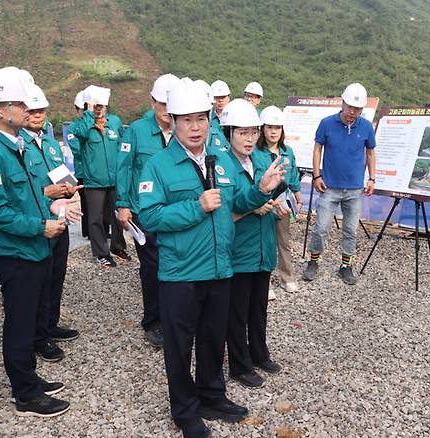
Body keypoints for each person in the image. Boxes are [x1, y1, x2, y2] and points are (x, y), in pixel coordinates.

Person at [138, 78, 287, 438]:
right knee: (179, 346)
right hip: (181, 274)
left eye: (201, 119)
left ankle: (211, 396)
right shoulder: (158, 165)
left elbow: (235, 205)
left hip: (220, 269)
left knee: (211, 338)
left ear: (210, 120)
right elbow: (151, 216)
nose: (194, 127)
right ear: (172, 122)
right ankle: (185, 411)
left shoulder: (218, 160)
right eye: (186, 120)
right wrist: (196, 206)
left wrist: (259, 192)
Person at [0, 67, 80, 417]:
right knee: (19, 323)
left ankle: (28, 377)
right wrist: (40, 226)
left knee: (27, 320)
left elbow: (28, 194)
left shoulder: (16, 144)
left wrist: (54, 205)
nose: (26, 109)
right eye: (18, 104)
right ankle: (25, 394)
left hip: (34, 249)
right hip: (18, 252)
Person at [221, 99, 289, 388]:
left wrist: (275, 201)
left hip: (262, 247)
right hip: (239, 250)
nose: (249, 139)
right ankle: (239, 364)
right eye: (242, 133)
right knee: (237, 311)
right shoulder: (222, 165)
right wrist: (256, 201)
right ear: (228, 133)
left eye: (253, 132)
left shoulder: (261, 160)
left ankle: (259, 352)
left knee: (258, 306)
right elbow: (231, 206)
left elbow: (274, 189)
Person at [116, 73, 179, 348]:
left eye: (171, 104)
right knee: (152, 269)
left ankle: (177, 317)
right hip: (145, 212)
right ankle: (153, 322)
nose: (167, 111)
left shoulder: (184, 130)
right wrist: (123, 204)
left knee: (177, 265)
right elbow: (124, 168)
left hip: (177, 212)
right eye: (162, 104)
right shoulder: (137, 131)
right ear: (152, 102)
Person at [21, 84, 82, 363]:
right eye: (32, 110)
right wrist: (50, 194)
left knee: (57, 275)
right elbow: (22, 191)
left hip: (61, 219)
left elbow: (60, 176)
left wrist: (69, 189)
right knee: (40, 280)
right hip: (38, 221)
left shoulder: (48, 141)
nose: (37, 115)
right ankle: (38, 336)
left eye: (41, 110)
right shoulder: (18, 144)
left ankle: (50, 323)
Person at [303, 83, 376, 285]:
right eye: (350, 107)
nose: (353, 112)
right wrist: (316, 176)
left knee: (351, 230)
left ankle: (346, 265)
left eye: (358, 109)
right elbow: (318, 149)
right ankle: (313, 261)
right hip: (329, 187)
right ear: (342, 103)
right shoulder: (327, 123)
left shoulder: (366, 126)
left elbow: (370, 152)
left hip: (354, 189)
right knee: (321, 227)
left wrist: (372, 178)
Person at [73, 85, 129, 267]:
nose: (99, 109)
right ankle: (101, 253)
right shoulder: (82, 126)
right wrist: (89, 114)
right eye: (95, 106)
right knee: (96, 218)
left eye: (101, 106)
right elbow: (80, 135)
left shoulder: (115, 122)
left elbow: (124, 144)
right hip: (94, 181)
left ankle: (118, 247)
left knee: (117, 215)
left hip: (115, 180)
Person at [257, 105, 303, 293]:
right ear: (262, 129)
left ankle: (287, 276)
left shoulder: (287, 151)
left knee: (283, 240)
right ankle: (264, 282)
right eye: (269, 127)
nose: (274, 131)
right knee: (264, 241)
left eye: (277, 127)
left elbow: (293, 177)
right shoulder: (256, 152)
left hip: (283, 204)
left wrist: (298, 197)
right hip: (263, 204)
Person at [67, 88, 90, 238]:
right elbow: (77, 150)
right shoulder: (72, 128)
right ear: (77, 110)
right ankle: (87, 231)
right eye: (83, 110)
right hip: (83, 172)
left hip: (100, 173)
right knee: (87, 204)